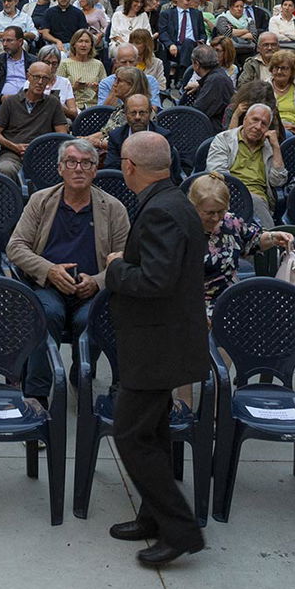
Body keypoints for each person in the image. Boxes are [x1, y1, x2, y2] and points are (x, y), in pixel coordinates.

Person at [102, 131, 207, 567]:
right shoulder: (171, 201)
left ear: (128, 166)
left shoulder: (163, 211)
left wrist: (116, 269)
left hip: (157, 345)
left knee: (130, 435)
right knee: (154, 433)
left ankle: (182, 530)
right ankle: (155, 516)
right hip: (163, 341)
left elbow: (155, 281)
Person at [6, 138, 130, 404]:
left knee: (90, 320)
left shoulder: (114, 209)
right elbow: (15, 247)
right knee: (47, 313)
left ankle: (80, 378)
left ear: (96, 170)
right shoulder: (41, 201)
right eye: (71, 162)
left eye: (87, 163)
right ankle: (37, 396)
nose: (79, 169)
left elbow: (126, 259)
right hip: (47, 287)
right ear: (60, 168)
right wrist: (49, 270)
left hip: (91, 291)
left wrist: (97, 281)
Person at [187, 173, 293, 306]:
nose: (215, 218)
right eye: (209, 213)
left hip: (231, 297)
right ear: (194, 207)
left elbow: (253, 241)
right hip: (193, 305)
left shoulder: (229, 221)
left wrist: (273, 237)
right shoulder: (182, 231)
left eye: (220, 211)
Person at [204, 102, 288, 226]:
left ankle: (269, 239)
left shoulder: (269, 147)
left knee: (255, 201)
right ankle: (271, 240)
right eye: (254, 120)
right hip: (228, 191)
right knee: (251, 201)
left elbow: (278, 181)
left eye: (264, 124)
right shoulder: (225, 139)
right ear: (244, 119)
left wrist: (276, 147)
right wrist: (241, 194)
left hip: (259, 198)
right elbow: (217, 172)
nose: (258, 127)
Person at [0, 61, 69, 179]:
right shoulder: (11, 102)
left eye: (45, 78)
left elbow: (62, 134)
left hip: (43, 154)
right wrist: (14, 146)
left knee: (57, 171)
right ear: (28, 77)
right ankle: (12, 197)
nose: (40, 82)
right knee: (6, 169)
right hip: (13, 152)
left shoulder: (53, 103)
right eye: (36, 77)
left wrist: (44, 149)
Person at [0, 26, 31, 111]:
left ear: (20, 42)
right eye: (3, 40)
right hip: (2, 103)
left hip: (28, 102)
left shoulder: (33, 62)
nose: (4, 44)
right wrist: (0, 97)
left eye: (9, 40)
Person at [183, 45, 234, 125]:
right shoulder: (216, 75)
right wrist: (200, 85)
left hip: (212, 129)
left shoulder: (216, 80)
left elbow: (197, 114)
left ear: (196, 64)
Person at [265, 49, 295, 135]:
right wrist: (279, 127)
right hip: (271, 129)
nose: (279, 72)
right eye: (276, 67)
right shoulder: (265, 87)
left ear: (292, 71)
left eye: (284, 68)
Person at [58, 30, 104, 110]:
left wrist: (97, 89)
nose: (83, 45)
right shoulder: (64, 64)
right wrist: (73, 88)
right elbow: (58, 93)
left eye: (87, 42)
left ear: (91, 45)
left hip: (94, 108)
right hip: (73, 108)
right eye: (80, 41)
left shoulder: (98, 64)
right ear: (74, 44)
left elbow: (105, 91)